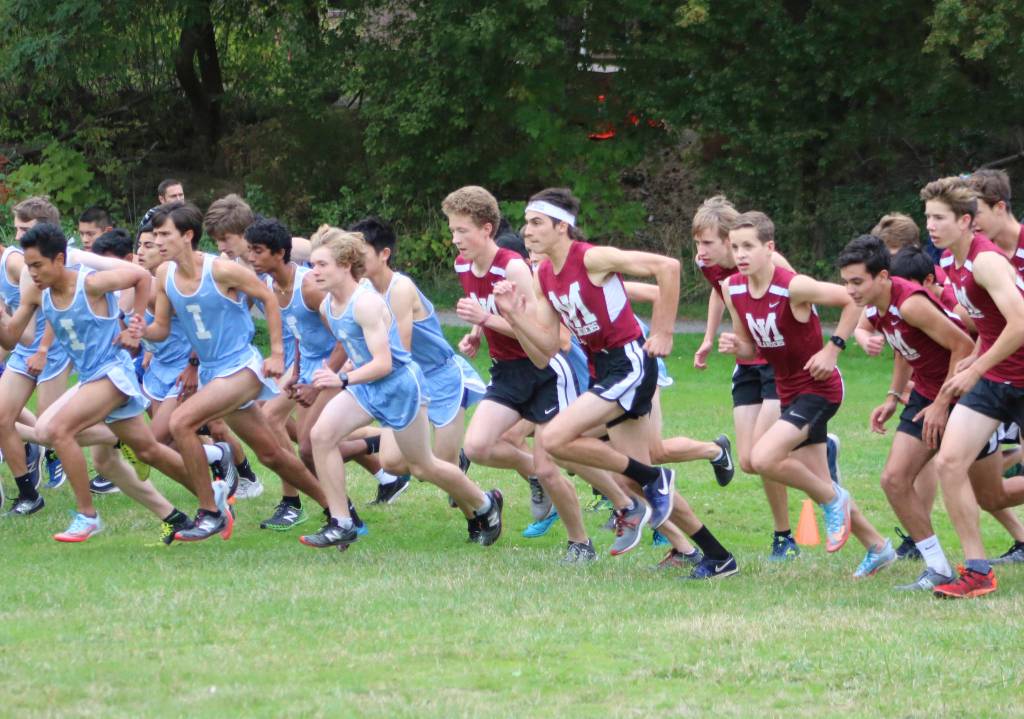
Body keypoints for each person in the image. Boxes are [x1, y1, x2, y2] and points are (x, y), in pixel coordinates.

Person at [497, 187, 739, 578]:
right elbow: (545, 349)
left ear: (562, 227)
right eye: (526, 223)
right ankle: (716, 555)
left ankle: (654, 479)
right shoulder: (543, 275)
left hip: (629, 363)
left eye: (536, 222)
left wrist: (663, 332)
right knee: (632, 479)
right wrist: (512, 316)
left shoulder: (591, 257)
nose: (527, 231)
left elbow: (668, 268)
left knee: (553, 439)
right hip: (604, 370)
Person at [446, 186, 630, 561]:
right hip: (508, 373)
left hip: (544, 370)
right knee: (477, 447)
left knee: (554, 463)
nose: (455, 239)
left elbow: (539, 333)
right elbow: (489, 309)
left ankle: (587, 536)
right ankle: (576, 486)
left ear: (486, 229)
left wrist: (486, 319)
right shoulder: (463, 265)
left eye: (462, 230)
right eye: (452, 230)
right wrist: (476, 334)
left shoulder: (513, 265)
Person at [298, 226, 503, 549]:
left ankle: (485, 503)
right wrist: (345, 369)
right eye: (312, 265)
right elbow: (358, 349)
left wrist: (343, 379)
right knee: (320, 436)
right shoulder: (327, 306)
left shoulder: (365, 303)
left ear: (344, 265)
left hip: (399, 388)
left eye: (322, 264)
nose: (314, 272)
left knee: (424, 466)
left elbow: (385, 362)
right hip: (367, 388)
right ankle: (342, 522)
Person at [719, 210, 895, 578]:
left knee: (764, 458)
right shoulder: (732, 288)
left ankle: (835, 501)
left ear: (770, 248)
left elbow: (852, 300)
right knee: (820, 484)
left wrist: (834, 348)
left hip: (819, 389)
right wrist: (734, 345)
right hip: (787, 391)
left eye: (748, 246)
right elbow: (751, 351)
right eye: (734, 247)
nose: (740, 254)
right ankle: (878, 547)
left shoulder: (793, 286)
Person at [0, 223, 201, 543]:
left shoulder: (91, 283)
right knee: (136, 453)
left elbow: (139, 277)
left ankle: (87, 516)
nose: (32, 273)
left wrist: (135, 323)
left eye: (38, 265)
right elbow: (11, 337)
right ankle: (199, 507)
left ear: (60, 259)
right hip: (93, 378)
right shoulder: (38, 294)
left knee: (55, 430)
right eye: (28, 267)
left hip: (113, 372)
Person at [144, 202, 330, 541]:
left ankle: (210, 512)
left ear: (187, 236)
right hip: (213, 372)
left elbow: (268, 298)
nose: (157, 241)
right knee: (272, 453)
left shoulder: (221, 270)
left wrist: (276, 353)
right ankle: (338, 510)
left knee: (180, 422)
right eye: (154, 234)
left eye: (163, 234)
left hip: (241, 367)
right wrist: (137, 332)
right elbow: (159, 327)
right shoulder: (163, 275)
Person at [839, 234, 978, 589]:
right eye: (846, 282)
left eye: (858, 281)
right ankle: (938, 567)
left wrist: (942, 403)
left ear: (882, 277)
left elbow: (964, 344)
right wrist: (892, 395)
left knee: (994, 493)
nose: (851, 290)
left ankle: (977, 568)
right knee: (894, 480)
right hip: (927, 395)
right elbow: (904, 348)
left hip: (964, 391)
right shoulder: (875, 306)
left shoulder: (911, 304)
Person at [925, 176, 1024, 598]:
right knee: (950, 463)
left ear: (965, 221)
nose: (930, 225)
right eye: (927, 217)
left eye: (939, 218)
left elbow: (1021, 323)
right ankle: (978, 571)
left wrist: (974, 367)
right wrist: (977, 357)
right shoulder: (949, 263)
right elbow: (993, 322)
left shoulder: (986, 261)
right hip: (997, 377)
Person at [691, 195, 801, 560]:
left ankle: (784, 537)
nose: (701, 251)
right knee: (751, 460)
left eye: (707, 243)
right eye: (697, 243)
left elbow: (803, 305)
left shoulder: (772, 263)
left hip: (779, 366)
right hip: (748, 364)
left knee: (766, 453)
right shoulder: (711, 266)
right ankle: (812, 444)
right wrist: (709, 338)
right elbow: (719, 295)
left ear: (729, 239)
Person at [354, 216, 487, 513]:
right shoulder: (361, 291)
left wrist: (358, 375)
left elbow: (399, 349)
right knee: (393, 462)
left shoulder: (400, 287)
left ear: (384, 254)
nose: (355, 263)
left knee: (435, 467)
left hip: (439, 376)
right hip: (405, 379)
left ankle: (481, 514)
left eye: (361, 255)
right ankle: (461, 473)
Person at [245, 217, 355, 531]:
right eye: (250, 250)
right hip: (305, 366)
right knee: (270, 419)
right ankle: (294, 502)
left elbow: (344, 340)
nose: (251, 258)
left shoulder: (309, 287)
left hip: (334, 366)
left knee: (310, 447)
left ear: (280, 253)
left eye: (258, 251)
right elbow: (297, 333)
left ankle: (342, 508)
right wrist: (294, 370)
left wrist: (317, 385)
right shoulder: (266, 285)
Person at [0, 197, 72, 516]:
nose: (18, 236)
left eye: (24, 229)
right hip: (27, 348)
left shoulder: (17, 263)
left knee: (49, 429)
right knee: (2, 418)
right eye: (16, 229)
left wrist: (42, 349)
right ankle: (29, 495)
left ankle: (114, 438)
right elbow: (19, 332)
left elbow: (50, 310)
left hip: (51, 348)